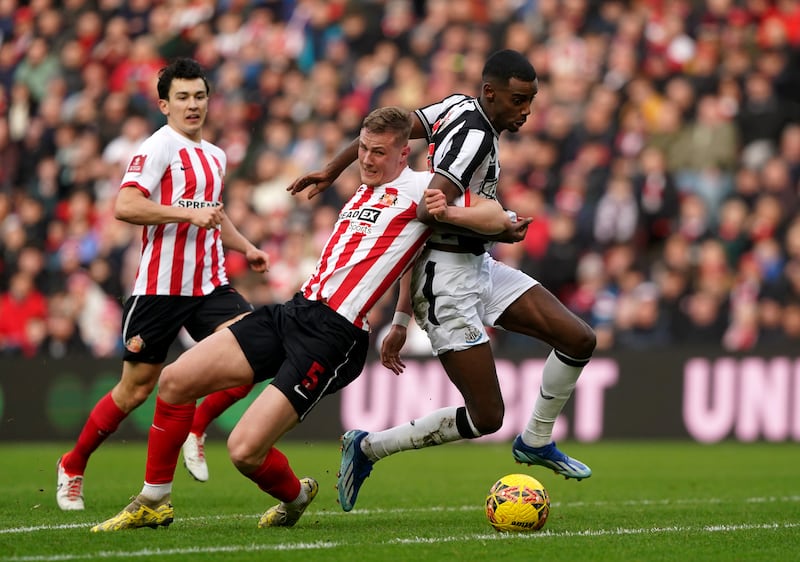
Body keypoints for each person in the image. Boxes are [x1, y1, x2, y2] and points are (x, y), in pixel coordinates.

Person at [90, 106, 515, 531]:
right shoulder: (366, 187)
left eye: (379, 153)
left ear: (405, 153)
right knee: (174, 381)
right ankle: (154, 500)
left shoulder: (426, 188)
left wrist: (498, 224)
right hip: (295, 310)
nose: (366, 159)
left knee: (244, 451)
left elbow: (493, 212)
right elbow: (403, 254)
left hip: (335, 336)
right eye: (363, 149)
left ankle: (295, 497)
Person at [288, 49, 596, 513]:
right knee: (487, 416)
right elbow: (430, 212)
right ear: (490, 92)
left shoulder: (456, 106)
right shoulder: (474, 136)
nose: (526, 111)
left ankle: (535, 440)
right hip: (444, 283)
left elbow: (385, 134)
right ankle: (369, 447)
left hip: (477, 267)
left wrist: (332, 170)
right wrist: (499, 224)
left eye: (531, 100)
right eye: (518, 100)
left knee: (578, 337)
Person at [56, 58, 270, 511]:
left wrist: (246, 246)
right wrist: (185, 213)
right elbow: (126, 205)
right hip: (159, 289)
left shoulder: (215, 154)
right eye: (183, 98)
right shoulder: (157, 148)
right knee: (135, 390)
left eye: (199, 96)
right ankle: (72, 465)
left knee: (259, 349)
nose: (193, 105)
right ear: (164, 105)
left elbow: (214, 214)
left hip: (210, 285)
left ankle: (197, 425)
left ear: (209, 101)